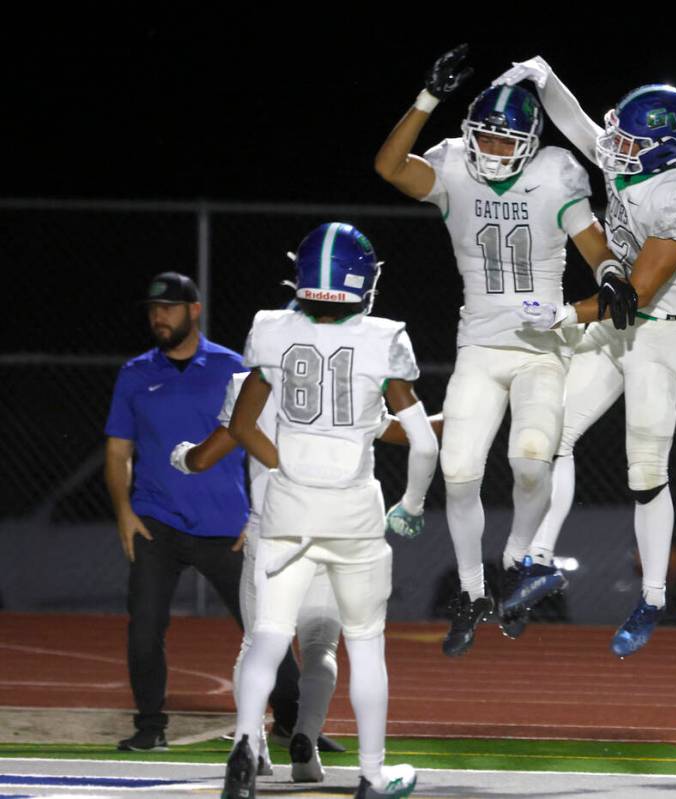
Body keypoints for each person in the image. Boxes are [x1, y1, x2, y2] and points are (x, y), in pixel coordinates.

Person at [374, 45, 635, 656]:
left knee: (532, 457)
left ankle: (517, 564)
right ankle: (471, 592)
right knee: (459, 469)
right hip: (480, 347)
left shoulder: (556, 172)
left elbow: (595, 246)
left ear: (526, 140)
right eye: (483, 138)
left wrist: (609, 277)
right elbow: (390, 166)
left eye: (502, 140)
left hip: (542, 347)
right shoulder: (453, 168)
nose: (490, 150)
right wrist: (426, 100)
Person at [491, 57, 676, 656]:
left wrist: (563, 314)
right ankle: (538, 561)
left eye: (631, 140)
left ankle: (651, 599)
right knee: (552, 434)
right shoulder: (635, 157)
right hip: (614, 321)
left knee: (644, 472)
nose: (614, 147)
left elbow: (634, 297)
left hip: (656, 333)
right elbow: (582, 125)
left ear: (666, 150)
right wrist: (544, 78)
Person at [220, 223, 434, 799]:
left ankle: (244, 748)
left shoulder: (270, 329)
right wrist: (412, 504)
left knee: (265, 637)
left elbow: (242, 427)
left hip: (287, 508)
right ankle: (370, 773)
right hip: (352, 512)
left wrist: (288, 465)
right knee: (362, 642)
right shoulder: (384, 338)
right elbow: (425, 442)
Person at [172, 372, 441, 780]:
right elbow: (410, 434)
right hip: (341, 528)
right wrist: (474, 410)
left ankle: (250, 747)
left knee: (258, 641)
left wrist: (183, 458)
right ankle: (311, 746)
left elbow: (216, 448)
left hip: (276, 526)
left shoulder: (253, 378)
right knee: (325, 647)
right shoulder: (358, 373)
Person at [103, 271, 300, 752]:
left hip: (226, 527)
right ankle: (150, 727)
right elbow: (117, 452)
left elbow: (266, 446)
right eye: (152, 309)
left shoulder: (233, 368)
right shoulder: (135, 373)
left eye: (168, 307)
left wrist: (260, 516)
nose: (158, 316)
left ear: (194, 311)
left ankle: (297, 727)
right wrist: (125, 513)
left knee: (265, 628)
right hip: (156, 525)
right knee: (145, 628)